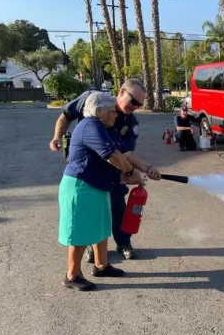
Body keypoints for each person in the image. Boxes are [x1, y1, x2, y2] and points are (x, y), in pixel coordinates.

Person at [50, 79, 161, 261]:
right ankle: (86, 254)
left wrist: (148, 169)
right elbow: (65, 115)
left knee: (116, 207)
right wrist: (57, 136)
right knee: (88, 214)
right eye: (133, 101)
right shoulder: (92, 103)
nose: (135, 107)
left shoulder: (129, 122)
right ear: (122, 92)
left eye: (140, 104)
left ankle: (122, 243)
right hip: (87, 173)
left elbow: (126, 153)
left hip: (110, 174)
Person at [58, 92, 145, 291]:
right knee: (80, 232)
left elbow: (124, 153)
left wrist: (144, 169)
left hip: (97, 185)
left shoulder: (104, 127)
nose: (115, 116)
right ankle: (72, 275)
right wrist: (130, 172)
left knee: (101, 227)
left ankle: (101, 265)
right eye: (111, 112)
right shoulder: (90, 125)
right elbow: (112, 155)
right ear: (99, 111)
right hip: (81, 185)